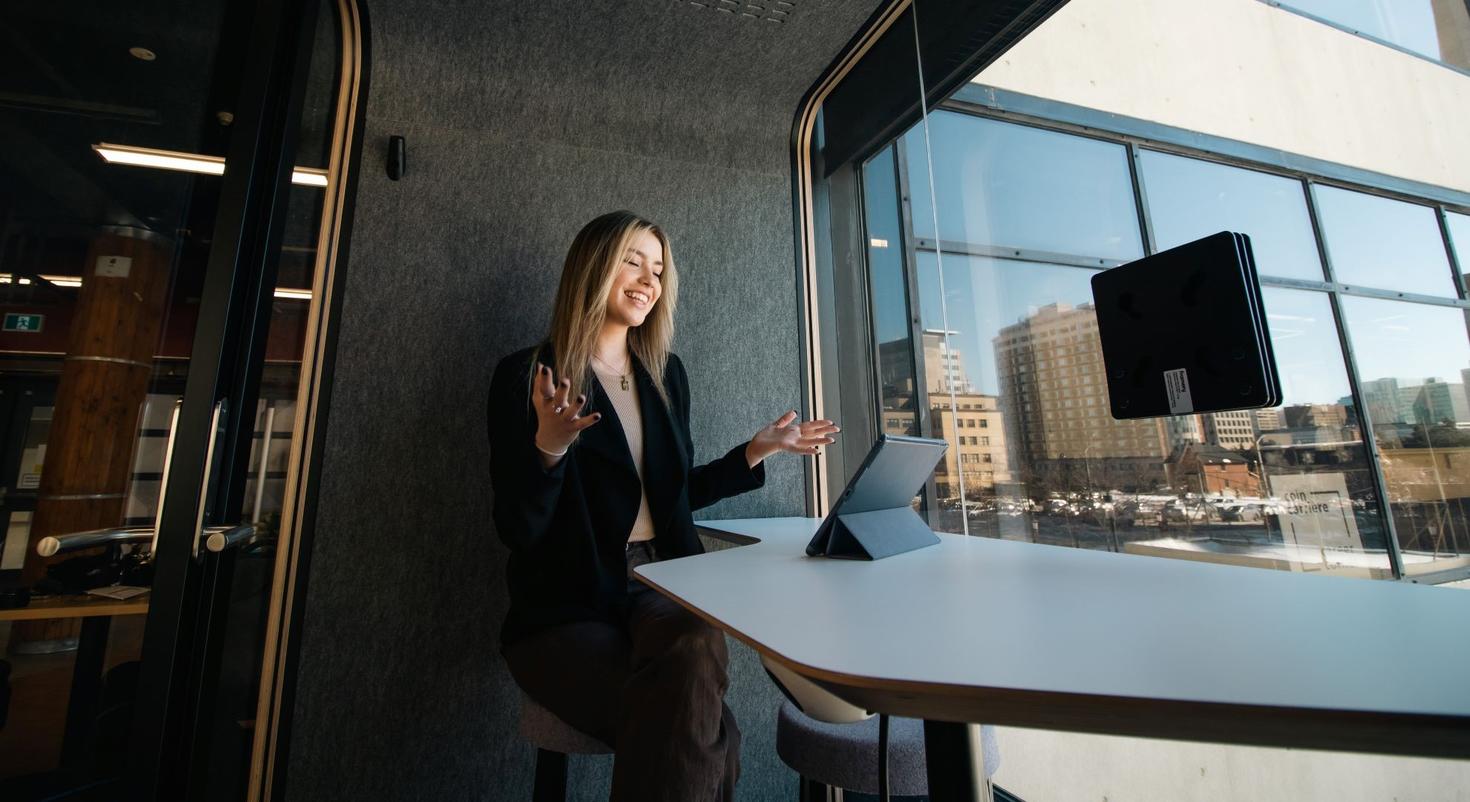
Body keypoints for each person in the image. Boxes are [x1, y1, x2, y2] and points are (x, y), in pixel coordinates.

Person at [487, 210, 838, 801]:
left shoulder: (666, 375)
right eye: (633, 261)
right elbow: (518, 528)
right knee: (715, 735)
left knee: (697, 641)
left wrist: (754, 452)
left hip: (661, 581)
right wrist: (549, 448)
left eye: (658, 269)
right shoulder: (528, 376)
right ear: (593, 267)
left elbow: (670, 498)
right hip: (566, 610)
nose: (649, 280)